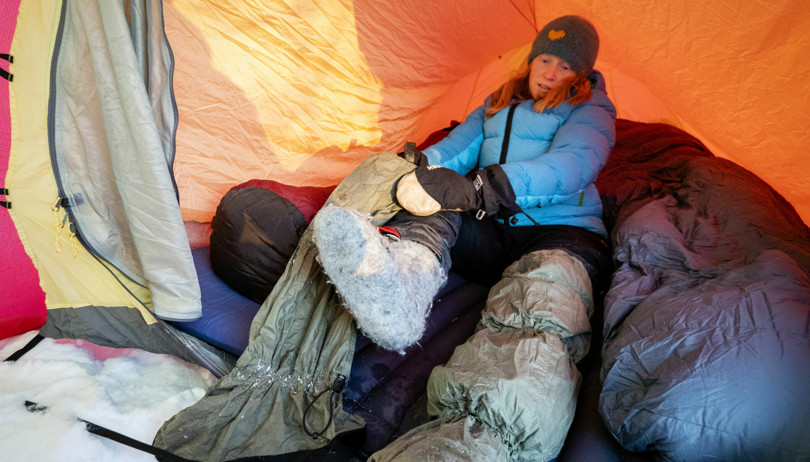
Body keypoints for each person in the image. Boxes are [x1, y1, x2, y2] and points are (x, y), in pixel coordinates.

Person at [310, 15, 615, 460]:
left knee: (541, 303)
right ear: (531, 61)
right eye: (545, 59)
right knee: (435, 206)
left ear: (581, 74)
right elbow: (458, 147)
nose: (551, 72)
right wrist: (419, 166)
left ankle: (474, 444)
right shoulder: (497, 102)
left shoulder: (591, 109)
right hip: (491, 229)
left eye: (565, 67)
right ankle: (403, 284)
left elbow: (574, 165)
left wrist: (487, 186)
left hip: (558, 232)